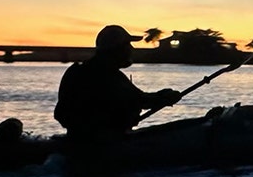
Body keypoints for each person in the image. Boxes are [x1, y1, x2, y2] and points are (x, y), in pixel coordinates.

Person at [54, 24, 182, 143]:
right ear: (116, 49)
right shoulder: (106, 75)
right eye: (127, 45)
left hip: (82, 140)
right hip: (103, 144)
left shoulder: (78, 71)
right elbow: (140, 100)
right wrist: (165, 97)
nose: (131, 49)